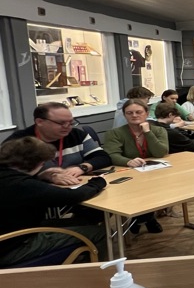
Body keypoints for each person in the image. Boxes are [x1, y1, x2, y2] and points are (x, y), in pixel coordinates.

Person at [0, 137, 109, 267]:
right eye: (42, 164)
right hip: (13, 247)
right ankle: (93, 273)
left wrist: (40, 176)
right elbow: (73, 196)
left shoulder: (7, 175)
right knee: (100, 233)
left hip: (10, 234)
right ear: (35, 163)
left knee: (83, 222)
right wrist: (97, 182)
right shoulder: (22, 185)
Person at [102, 98, 170, 234]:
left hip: (156, 173)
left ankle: (141, 219)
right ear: (124, 115)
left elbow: (160, 152)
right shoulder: (115, 133)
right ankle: (147, 219)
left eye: (138, 112)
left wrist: (147, 132)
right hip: (129, 174)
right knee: (141, 189)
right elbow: (111, 155)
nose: (134, 115)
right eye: (129, 113)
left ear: (147, 113)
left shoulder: (158, 130)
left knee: (157, 187)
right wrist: (127, 161)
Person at [7, 102, 111, 184]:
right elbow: (9, 176)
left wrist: (82, 167)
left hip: (73, 185)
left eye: (71, 122)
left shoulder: (77, 135)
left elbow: (103, 157)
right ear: (40, 122)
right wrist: (47, 176)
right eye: (61, 123)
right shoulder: (19, 142)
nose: (67, 127)